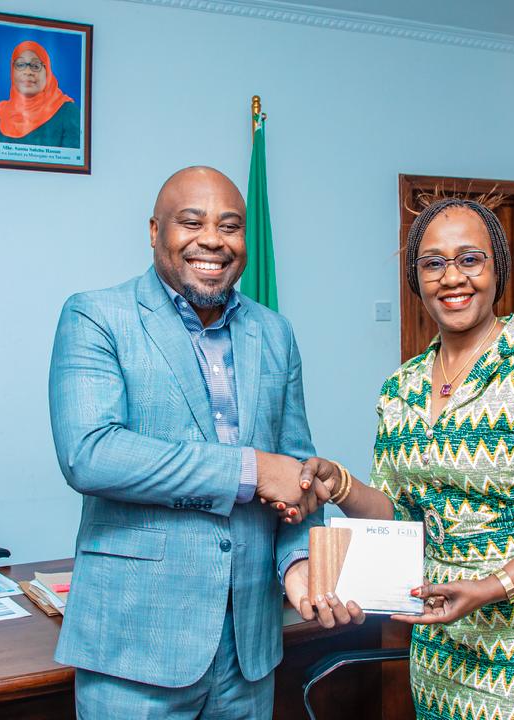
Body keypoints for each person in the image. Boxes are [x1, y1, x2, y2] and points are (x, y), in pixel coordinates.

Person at [277, 196, 514, 719]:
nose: (453, 277)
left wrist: (493, 586)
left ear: (498, 269)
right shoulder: (401, 388)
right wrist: (340, 484)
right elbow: (403, 518)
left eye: (470, 259)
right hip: (448, 652)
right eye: (434, 263)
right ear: (416, 278)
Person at [48, 166, 361, 719]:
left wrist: (296, 563)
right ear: (155, 232)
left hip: (249, 650)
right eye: (191, 223)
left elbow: (296, 473)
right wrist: (251, 469)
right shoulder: (96, 315)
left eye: (230, 226)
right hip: (135, 648)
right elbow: (90, 454)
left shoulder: (275, 332)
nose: (213, 240)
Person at [0, 40, 80, 147]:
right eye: (20, 65)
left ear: (47, 72)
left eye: (35, 66)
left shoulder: (68, 112)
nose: (28, 72)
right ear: (12, 71)